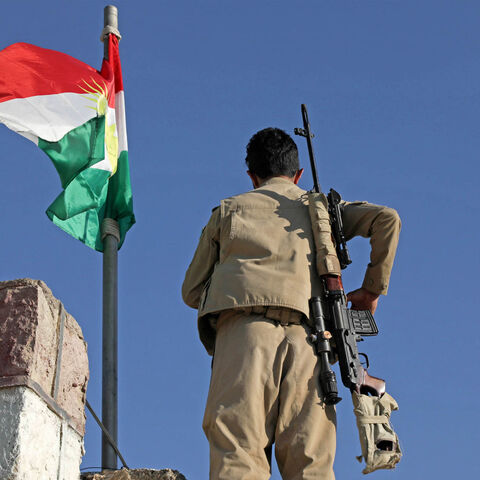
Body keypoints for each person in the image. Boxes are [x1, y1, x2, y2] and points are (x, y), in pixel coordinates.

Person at [182, 127, 401, 480]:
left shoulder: (229, 210)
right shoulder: (322, 212)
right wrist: (371, 290)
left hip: (244, 337)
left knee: (238, 452)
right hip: (313, 342)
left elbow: (191, 291)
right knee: (309, 463)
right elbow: (387, 219)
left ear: (252, 176)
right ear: (297, 174)